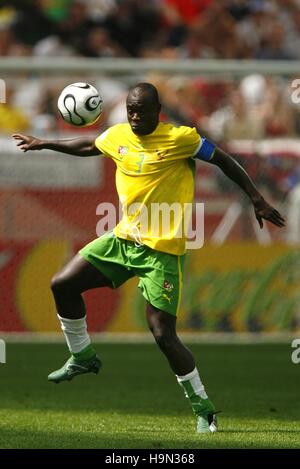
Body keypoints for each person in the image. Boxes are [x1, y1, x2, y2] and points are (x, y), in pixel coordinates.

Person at [12, 82, 285, 434]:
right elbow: (90, 145)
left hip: (161, 252)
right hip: (123, 239)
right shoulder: (119, 134)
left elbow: (224, 160)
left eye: (142, 110)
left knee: (162, 334)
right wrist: (45, 142)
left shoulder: (181, 139)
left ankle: (204, 409)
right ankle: (82, 357)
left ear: (159, 111)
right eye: (131, 110)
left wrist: (256, 197)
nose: (136, 116)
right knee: (62, 284)